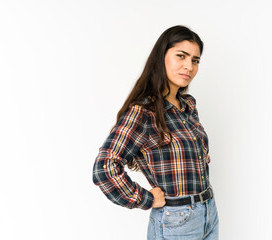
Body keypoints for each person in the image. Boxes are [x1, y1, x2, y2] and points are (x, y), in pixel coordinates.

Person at [92, 25, 219, 239]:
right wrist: (146, 199)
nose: (189, 66)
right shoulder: (144, 112)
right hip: (177, 220)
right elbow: (104, 169)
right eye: (181, 56)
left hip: (209, 212)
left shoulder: (187, 106)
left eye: (195, 60)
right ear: (162, 57)